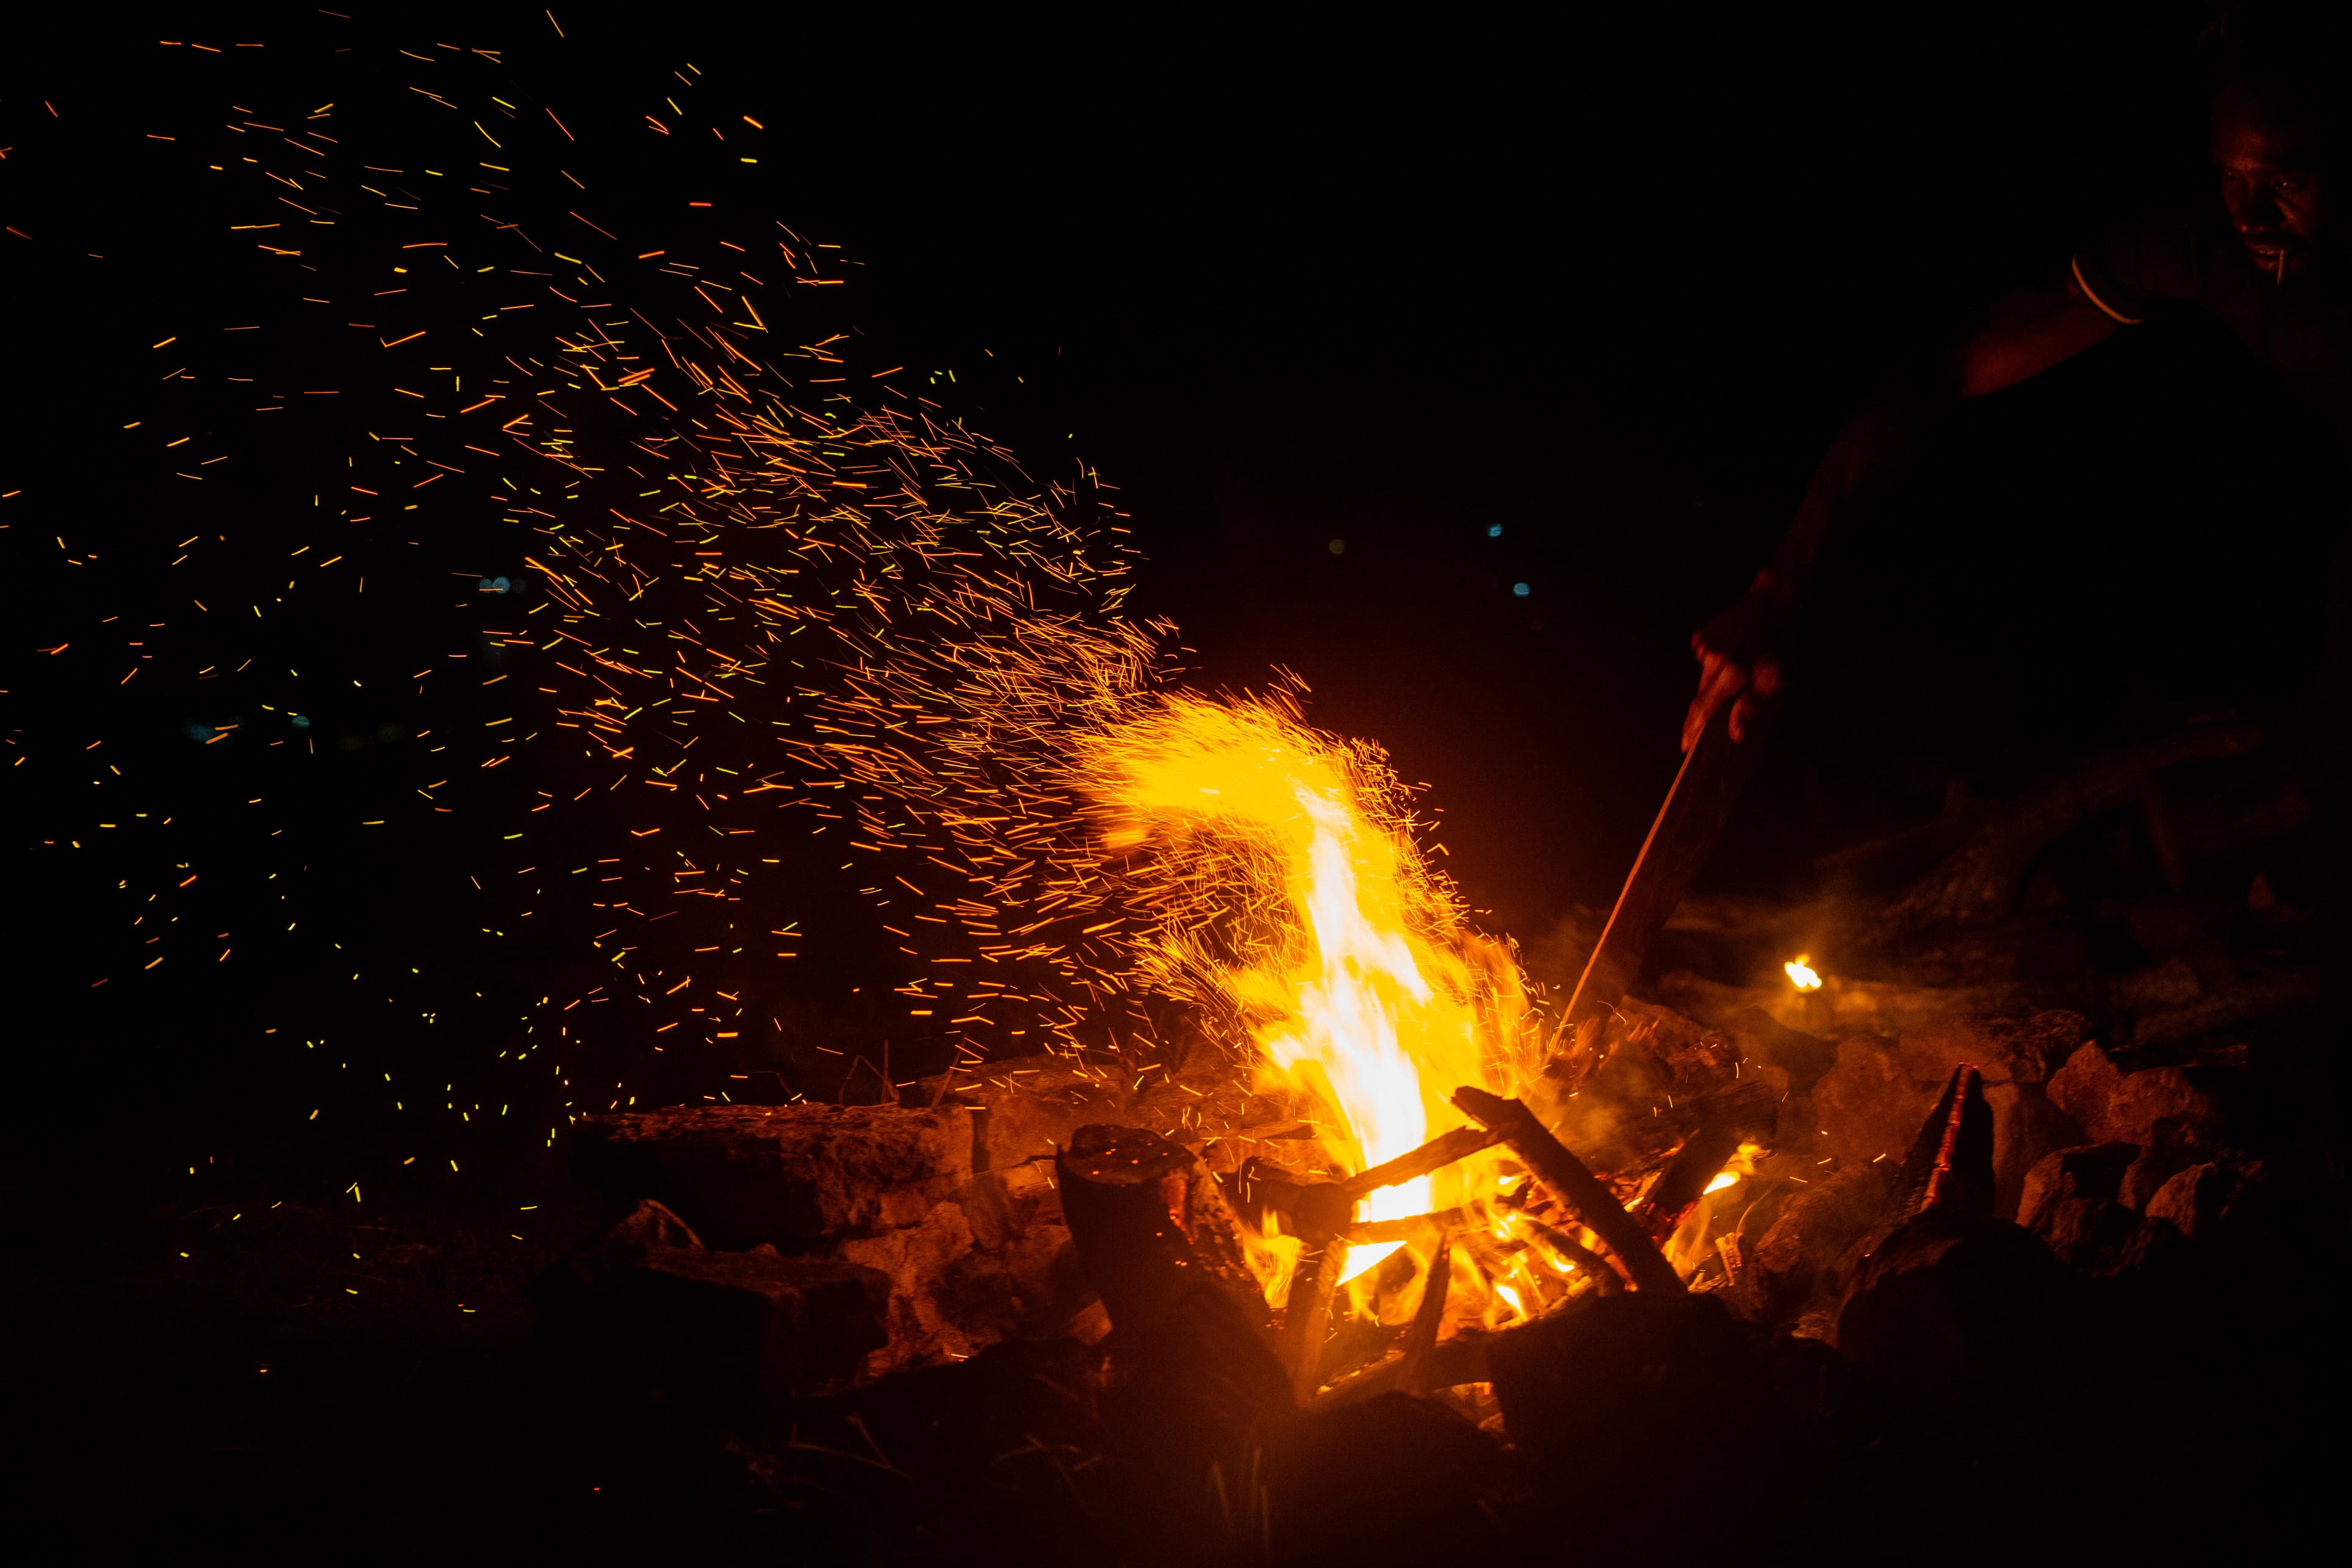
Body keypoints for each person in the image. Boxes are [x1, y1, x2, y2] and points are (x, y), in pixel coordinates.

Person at [1683, 12, 2352, 1085]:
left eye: (2287, 182)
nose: (2250, 214)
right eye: (2231, 178)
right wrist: (1783, 585)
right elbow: (1944, 371)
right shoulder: (2204, 243)